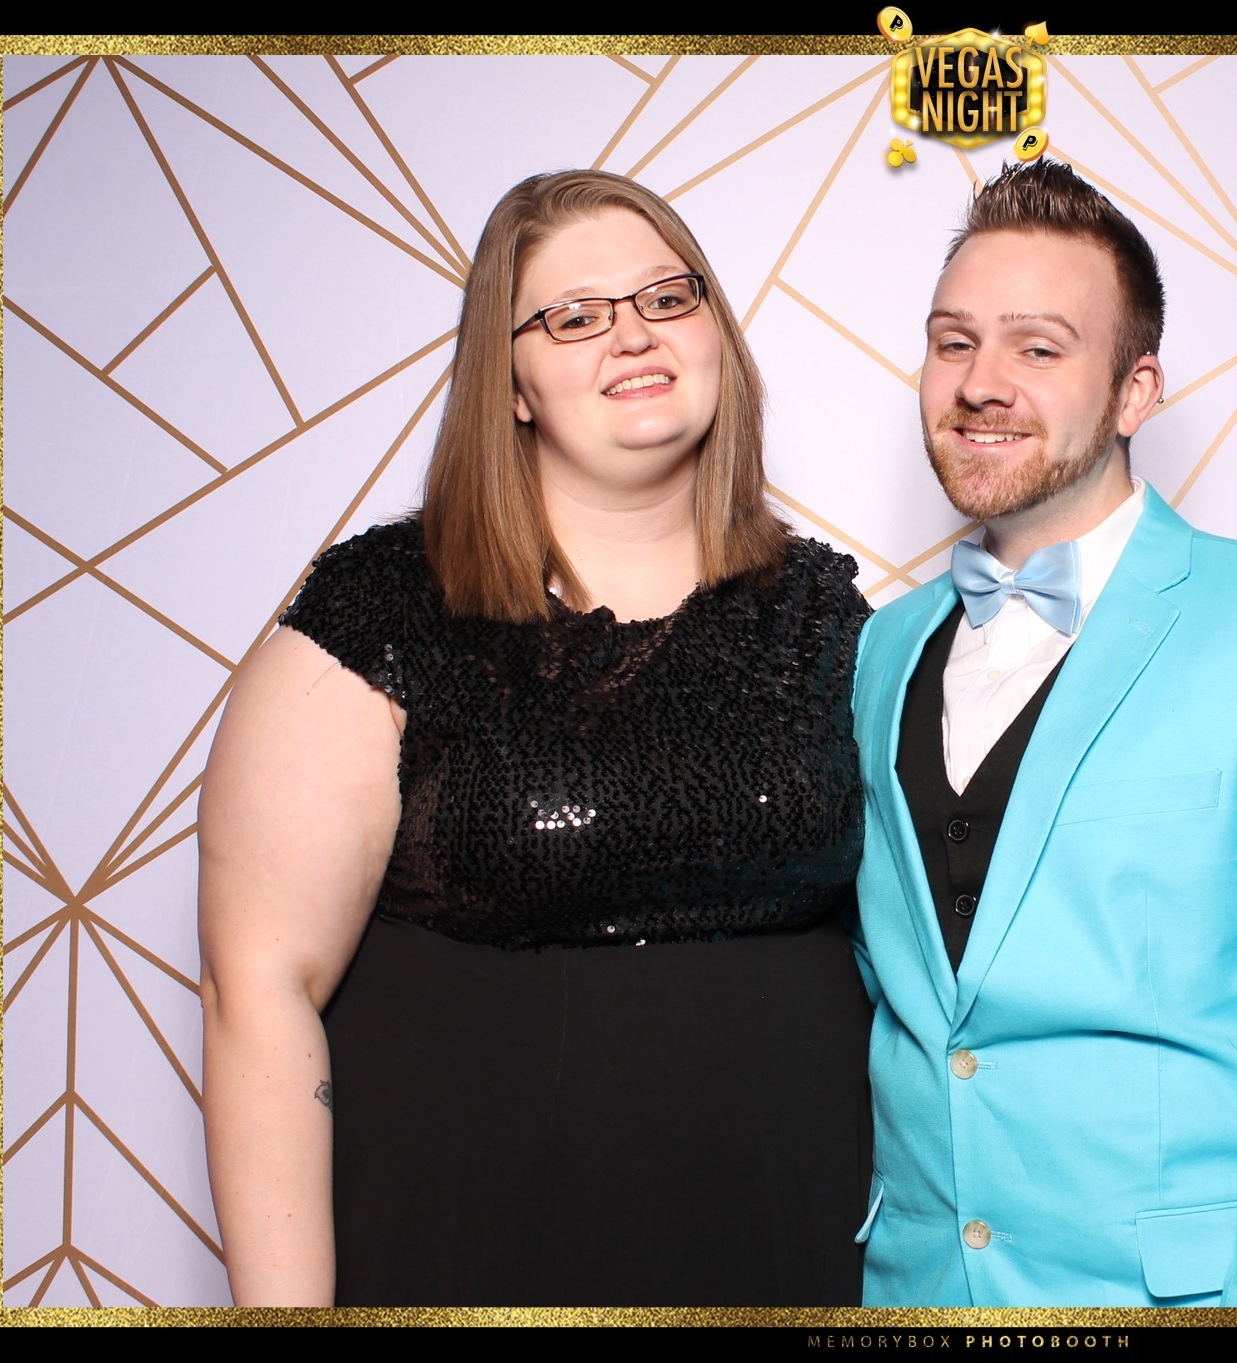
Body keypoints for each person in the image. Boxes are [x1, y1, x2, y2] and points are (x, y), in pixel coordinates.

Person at [197, 170, 871, 1306]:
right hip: (472, 1250)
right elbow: (257, 990)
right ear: (508, 384)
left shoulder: (825, 614)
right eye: (573, 315)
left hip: (789, 1247)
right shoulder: (382, 613)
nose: (633, 335)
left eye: (667, 297)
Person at [849, 160, 1237, 1307]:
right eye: (952, 342)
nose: (979, 383)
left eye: (1037, 348)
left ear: (1134, 392)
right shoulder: (879, 651)